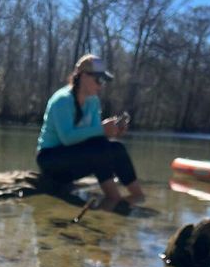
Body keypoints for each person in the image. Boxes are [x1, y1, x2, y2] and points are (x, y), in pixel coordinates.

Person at [36, 54, 144, 213]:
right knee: (99, 150)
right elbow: (67, 138)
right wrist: (102, 129)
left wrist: (112, 132)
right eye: (98, 80)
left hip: (74, 157)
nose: (100, 86)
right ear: (84, 76)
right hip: (50, 160)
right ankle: (114, 200)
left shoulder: (93, 101)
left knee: (117, 148)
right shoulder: (62, 100)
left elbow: (94, 138)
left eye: (103, 81)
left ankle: (138, 196)